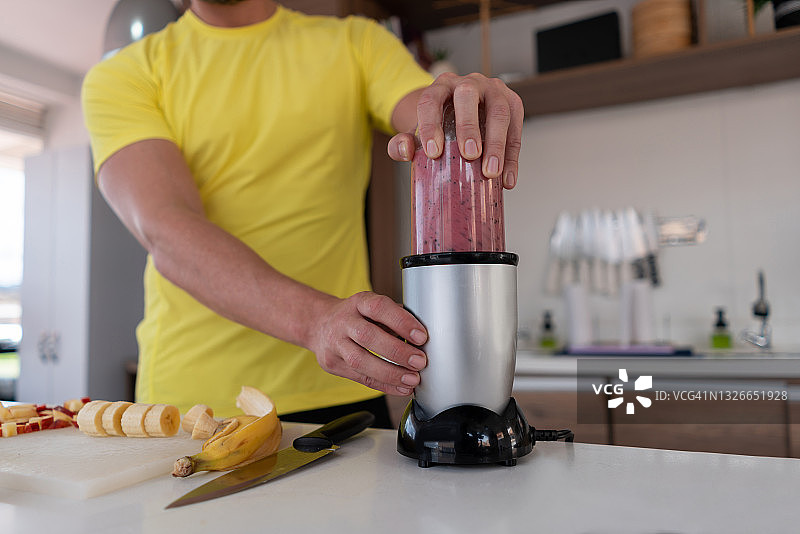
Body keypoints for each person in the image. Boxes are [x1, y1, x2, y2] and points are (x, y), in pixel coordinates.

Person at [81, 0, 523, 427]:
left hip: (343, 388)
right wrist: (317, 322)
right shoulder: (124, 75)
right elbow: (166, 229)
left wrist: (462, 107)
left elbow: (430, 119)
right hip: (196, 405)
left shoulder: (356, 42)